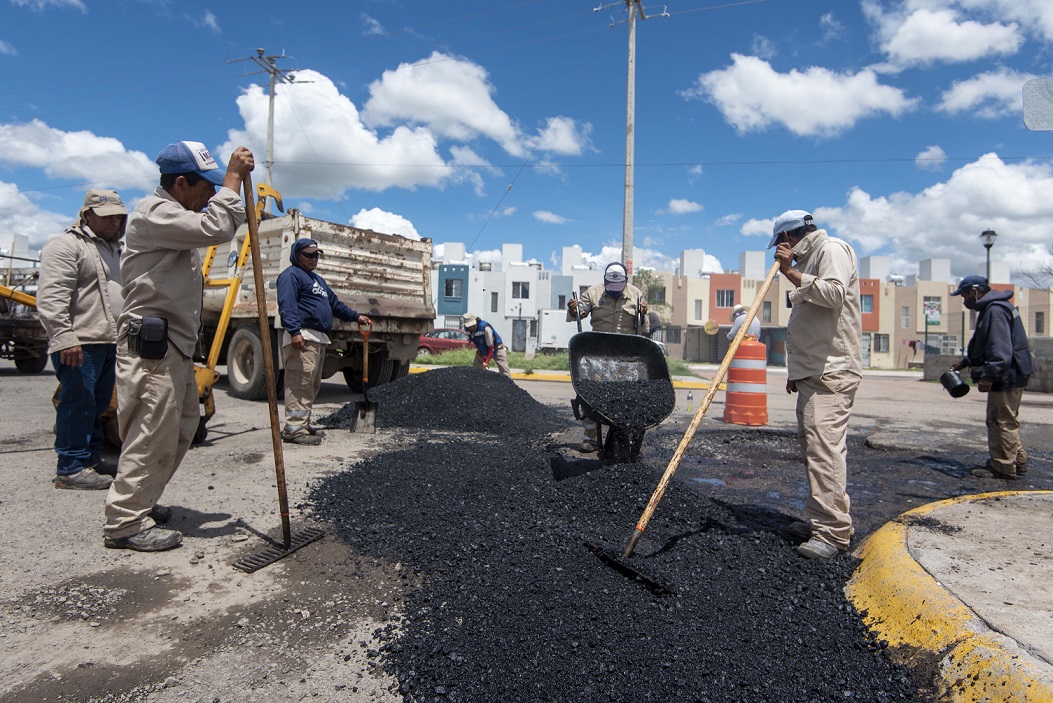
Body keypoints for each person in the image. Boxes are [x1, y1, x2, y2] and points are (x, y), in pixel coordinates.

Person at [103, 141, 254, 552]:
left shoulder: (174, 217)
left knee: (180, 428)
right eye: (204, 187)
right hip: (153, 345)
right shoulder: (155, 214)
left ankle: (142, 503)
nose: (209, 195)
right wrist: (234, 179)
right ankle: (125, 523)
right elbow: (217, 228)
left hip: (174, 346)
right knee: (151, 431)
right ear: (182, 183)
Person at [769, 210, 862, 560]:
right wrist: (798, 370)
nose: (779, 249)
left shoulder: (831, 250)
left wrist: (791, 272)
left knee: (825, 451)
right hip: (815, 372)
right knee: (815, 448)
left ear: (788, 238)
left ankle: (833, 534)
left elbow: (834, 295)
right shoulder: (812, 259)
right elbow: (813, 320)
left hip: (832, 371)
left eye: (780, 242)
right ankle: (823, 522)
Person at [37, 189, 127, 490]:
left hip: (107, 340)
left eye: (118, 216)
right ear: (87, 215)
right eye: (107, 216)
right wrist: (63, 336)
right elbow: (51, 296)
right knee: (78, 403)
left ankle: (90, 457)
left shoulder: (115, 249)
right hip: (80, 342)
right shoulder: (65, 245)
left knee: (99, 403)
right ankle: (70, 466)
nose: (114, 221)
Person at [277, 238, 371, 445]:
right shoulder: (290, 276)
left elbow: (335, 304)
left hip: (318, 338)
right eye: (309, 255)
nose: (313, 259)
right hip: (303, 336)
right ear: (296, 255)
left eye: (316, 255)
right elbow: (287, 305)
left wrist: (356, 317)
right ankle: (293, 430)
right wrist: (294, 331)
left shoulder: (317, 280)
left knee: (311, 384)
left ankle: (303, 424)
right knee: (299, 383)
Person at [949, 275, 1034, 480]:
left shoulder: (994, 310)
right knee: (1006, 419)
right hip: (1010, 372)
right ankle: (1017, 460)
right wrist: (966, 362)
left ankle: (1003, 467)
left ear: (975, 291)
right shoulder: (993, 308)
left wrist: (988, 376)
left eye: (964, 295)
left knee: (1000, 420)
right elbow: (986, 345)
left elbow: (999, 349)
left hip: (1006, 375)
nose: (964, 300)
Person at [566, 262, 649, 452]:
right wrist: (574, 310)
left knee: (627, 397)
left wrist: (642, 315)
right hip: (598, 353)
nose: (614, 291)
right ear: (604, 282)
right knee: (590, 394)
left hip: (626, 355)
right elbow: (580, 313)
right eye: (610, 287)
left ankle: (624, 437)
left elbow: (643, 327)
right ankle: (591, 438)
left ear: (625, 282)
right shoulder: (593, 293)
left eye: (618, 288)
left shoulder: (636, 294)